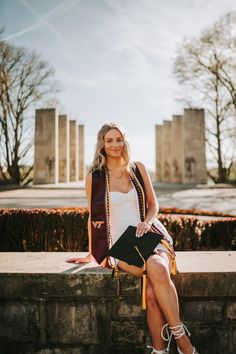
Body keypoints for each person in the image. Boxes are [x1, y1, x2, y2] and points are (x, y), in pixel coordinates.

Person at [66, 123, 199, 354]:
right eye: (109, 140)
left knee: (152, 286)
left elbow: (153, 205)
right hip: (120, 244)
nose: (115, 144)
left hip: (150, 234)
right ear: (102, 144)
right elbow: (93, 217)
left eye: (119, 139)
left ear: (125, 141)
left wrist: (147, 222)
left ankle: (161, 350)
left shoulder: (137, 168)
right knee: (156, 271)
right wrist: (91, 253)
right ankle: (184, 342)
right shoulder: (95, 178)